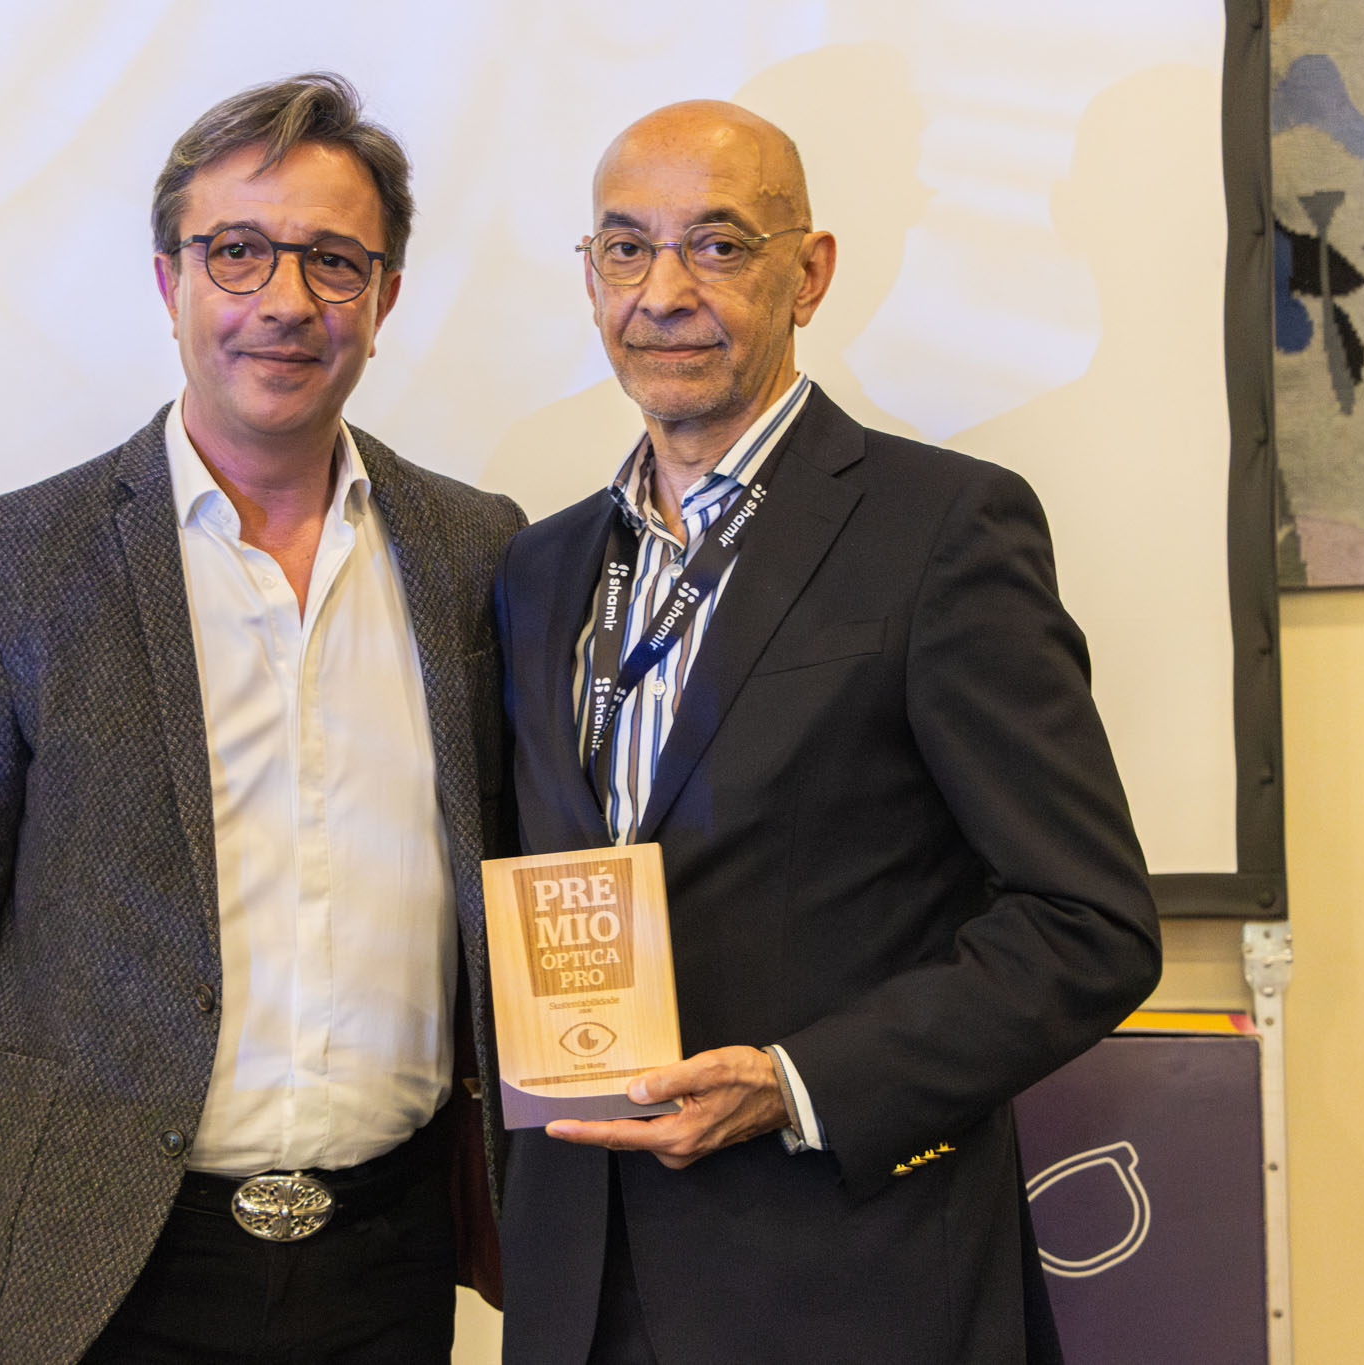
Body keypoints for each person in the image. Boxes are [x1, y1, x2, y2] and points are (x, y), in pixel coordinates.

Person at [0, 73, 522, 1365]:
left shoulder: (475, 551)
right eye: (238, 252)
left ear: (382, 299)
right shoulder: (11, 567)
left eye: (332, 260)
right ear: (170, 283)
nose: (285, 300)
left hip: (391, 1257)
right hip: (102, 1269)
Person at [492, 100, 1162, 1364]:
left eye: (718, 245)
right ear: (588, 279)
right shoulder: (540, 567)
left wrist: (795, 1083)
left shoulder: (941, 530)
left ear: (809, 273)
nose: (663, 293)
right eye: (625, 249)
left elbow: (1087, 925)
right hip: (581, 1280)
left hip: (847, 1282)